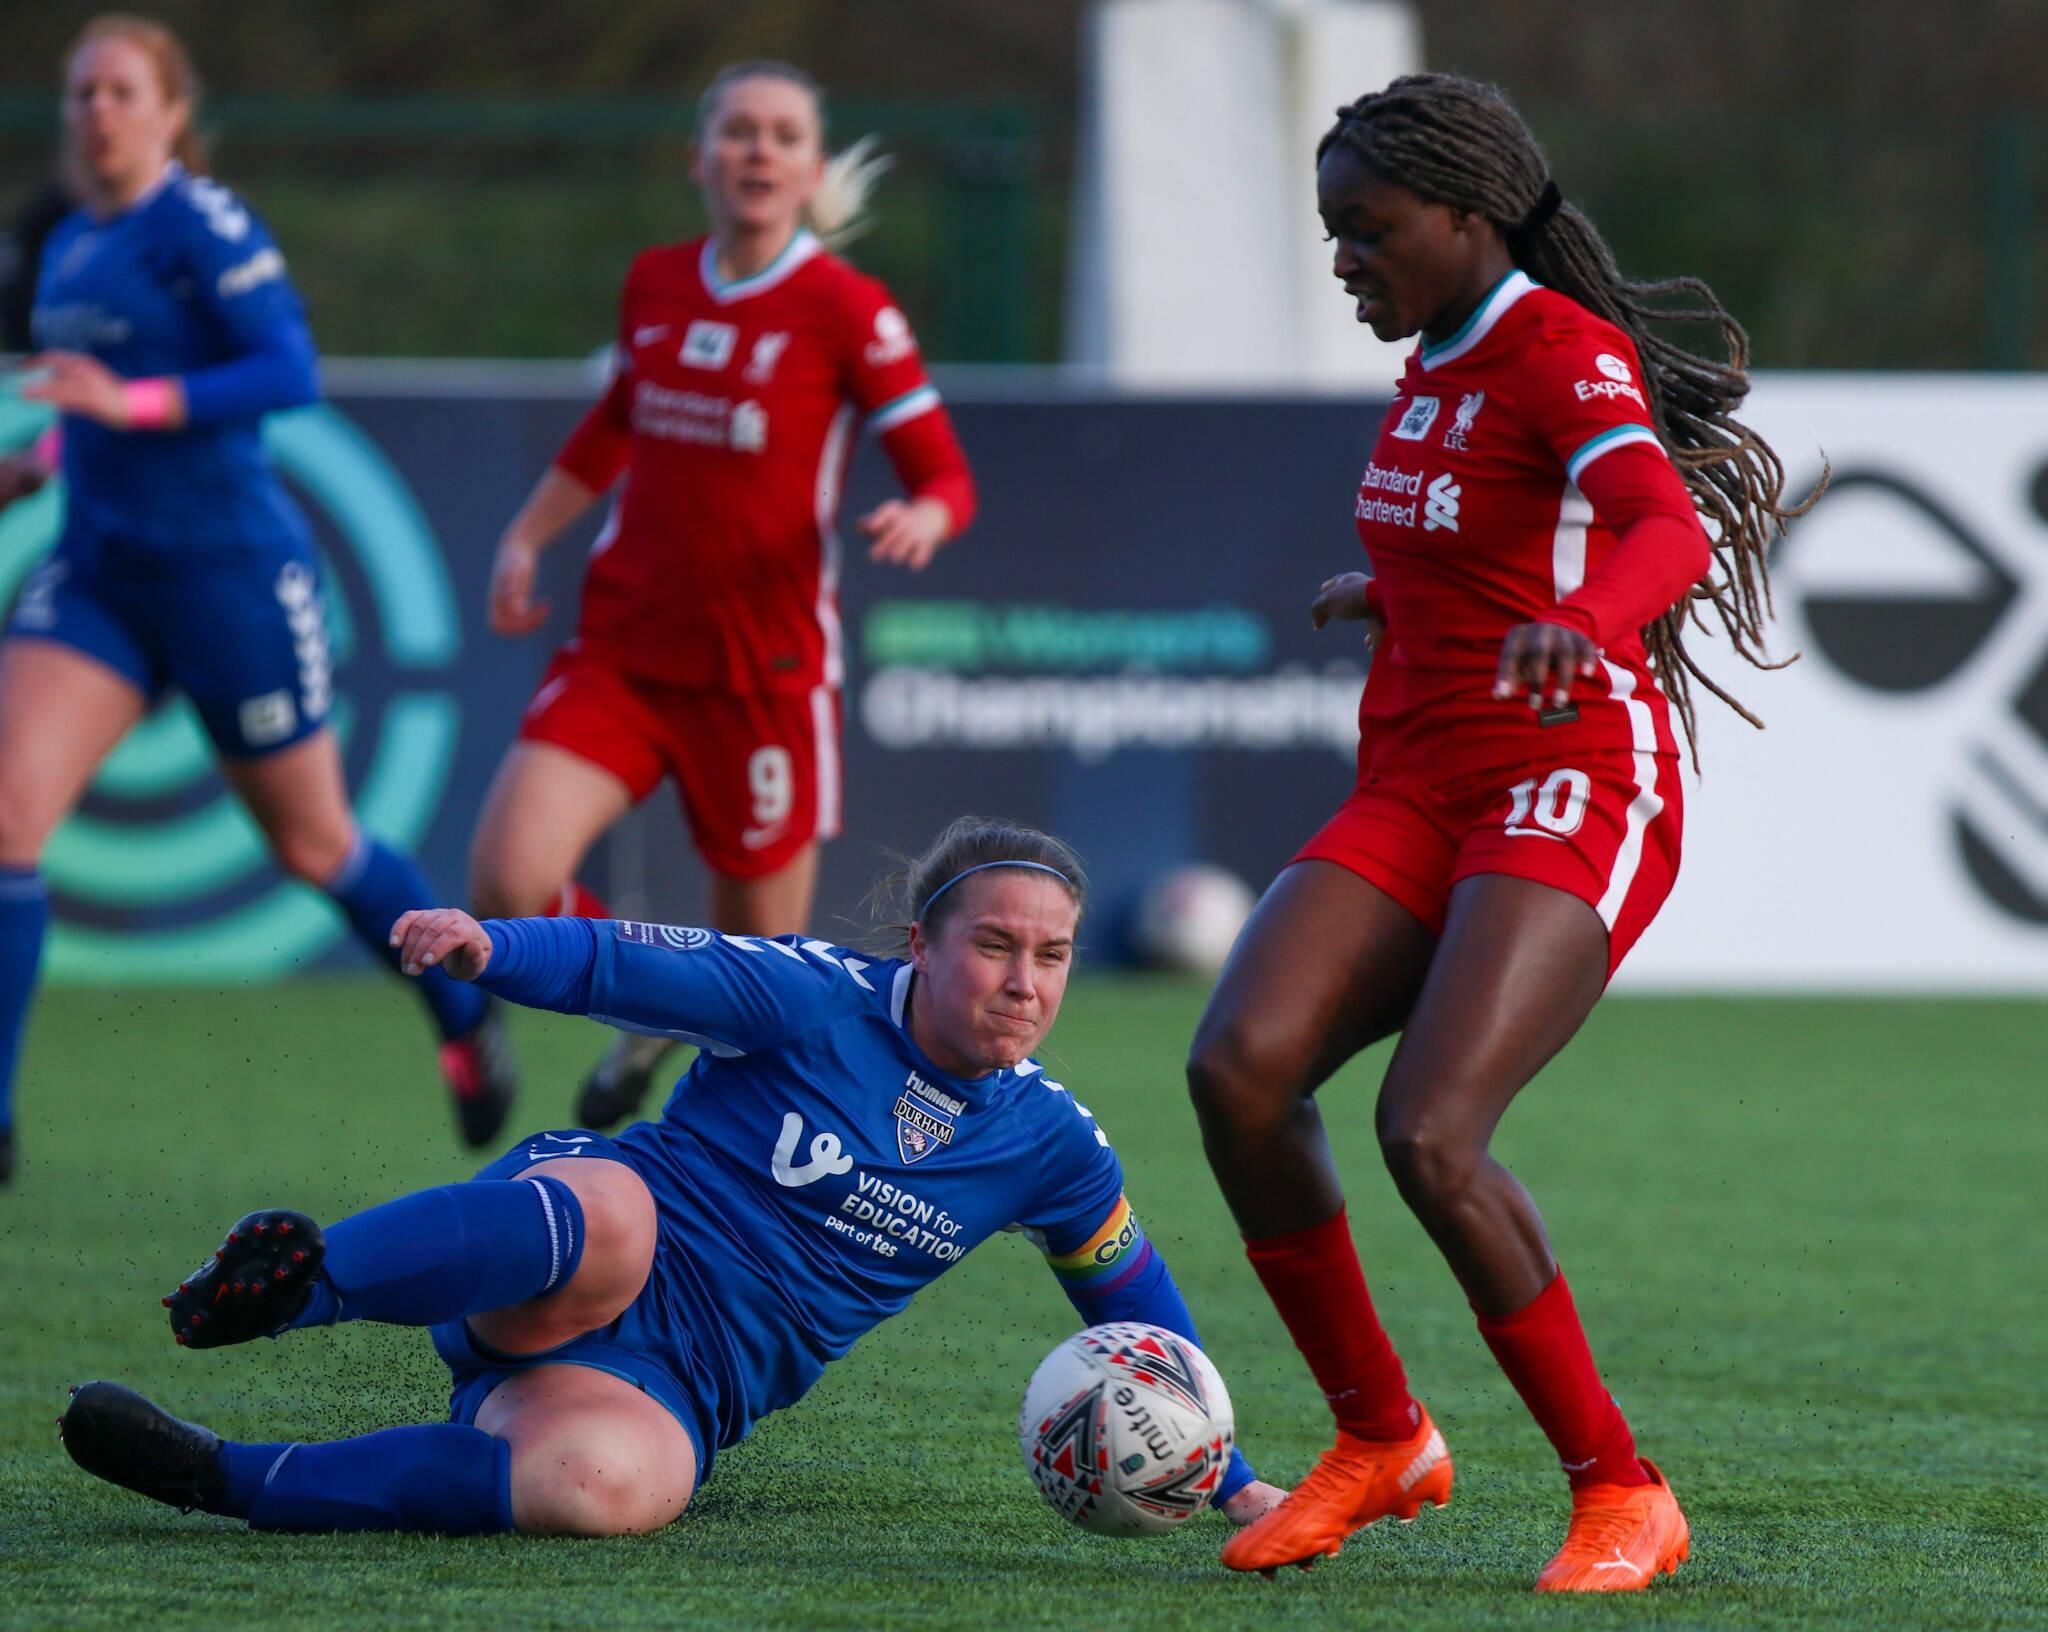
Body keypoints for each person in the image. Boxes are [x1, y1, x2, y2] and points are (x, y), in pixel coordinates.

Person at [1185, 74, 1808, 1591]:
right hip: (1417, 777)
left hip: (1574, 772)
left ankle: (1622, 1491)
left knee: (1431, 1134)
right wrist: (1387, 592)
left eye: (1367, 230)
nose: (1343, 260)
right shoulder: (1436, 364)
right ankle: (1381, 1436)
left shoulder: (1558, 348)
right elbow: (1484, 530)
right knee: (1239, 1069)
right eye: (1332, 232)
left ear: (1467, 218)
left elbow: (1655, 524)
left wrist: (1581, 626)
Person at [61, 817, 1284, 1538]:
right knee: (617, 1218)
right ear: (922, 942)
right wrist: (495, 948)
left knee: (599, 1492)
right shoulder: (813, 996)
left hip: (676, 1384)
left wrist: (1223, 1476)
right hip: (563, 1254)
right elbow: (627, 965)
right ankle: (300, 1286)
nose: (1024, 980)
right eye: (995, 946)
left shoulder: (1052, 1145)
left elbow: (1133, 1302)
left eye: (1052, 956)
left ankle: (221, 1476)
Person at [0, 15, 512, 1187]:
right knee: (8, 819)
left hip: (231, 578)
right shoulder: (72, 243)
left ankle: (460, 1021)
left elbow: (287, 370)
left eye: (122, 91)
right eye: (80, 92)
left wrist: (124, 405)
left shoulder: (204, 224)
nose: (96, 111)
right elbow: (93, 411)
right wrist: (46, 464)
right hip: (99, 576)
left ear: (172, 112)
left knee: (315, 843)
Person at [469, 60, 976, 1132]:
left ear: (808, 168)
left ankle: (730, 1194)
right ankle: (651, 1008)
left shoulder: (845, 308)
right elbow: (615, 422)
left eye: (782, 135)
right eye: (737, 132)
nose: (757, 151)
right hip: (621, 650)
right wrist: (527, 533)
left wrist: (925, 515)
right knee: (508, 885)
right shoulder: (656, 281)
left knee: (763, 986)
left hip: (761, 677)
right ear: (700, 157)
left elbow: (942, 473)